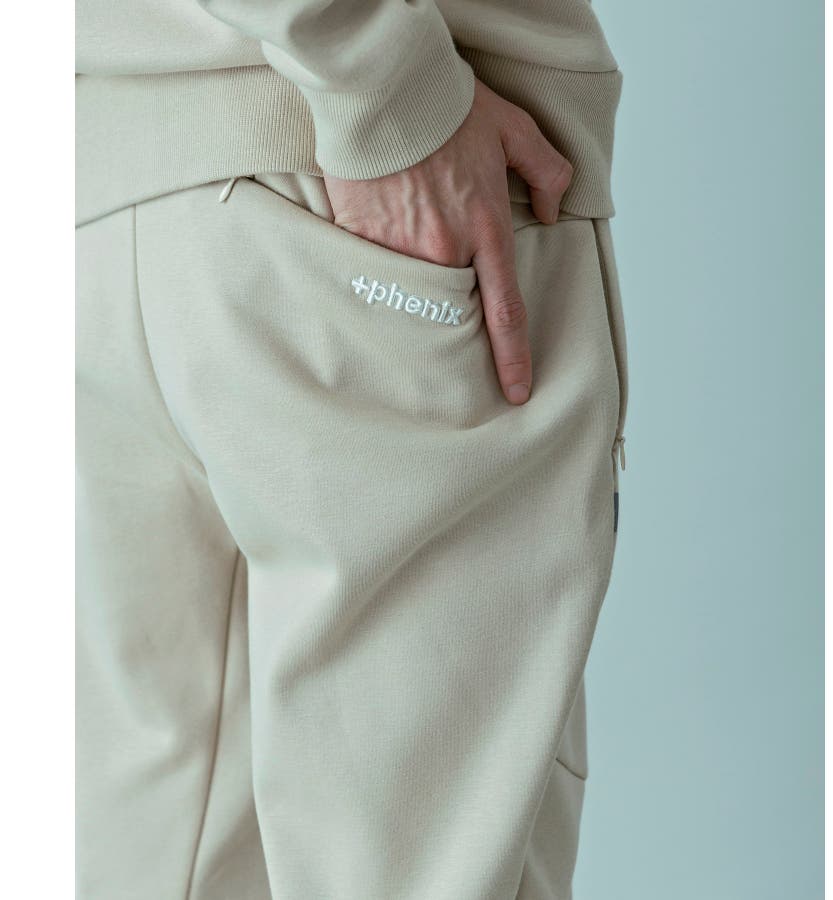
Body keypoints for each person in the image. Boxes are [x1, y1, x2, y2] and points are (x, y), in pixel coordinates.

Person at [75, 1, 629, 897]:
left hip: (101, 208)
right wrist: (391, 90)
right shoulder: (384, 100)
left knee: (151, 853)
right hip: (356, 183)